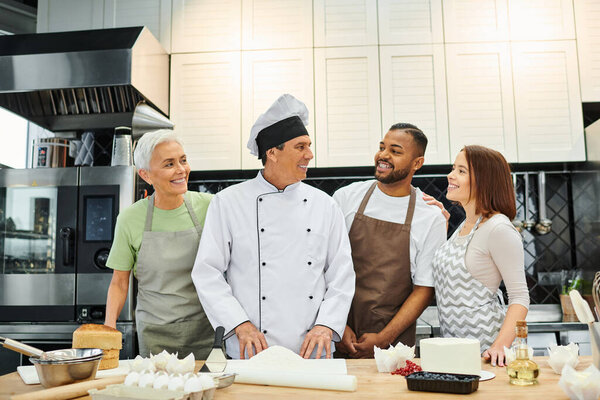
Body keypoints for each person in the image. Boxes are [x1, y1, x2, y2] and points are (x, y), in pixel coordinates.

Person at [192, 94, 355, 360]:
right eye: (300, 146)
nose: (310, 155)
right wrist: (238, 325)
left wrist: (326, 326)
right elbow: (207, 273)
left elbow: (342, 275)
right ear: (272, 152)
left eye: (309, 146)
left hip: (313, 350)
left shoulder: (325, 206)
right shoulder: (228, 203)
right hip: (252, 348)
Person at [333, 123, 447, 358]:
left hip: (394, 347)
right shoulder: (346, 198)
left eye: (395, 151)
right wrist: (335, 324)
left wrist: (385, 338)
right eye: (382, 147)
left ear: (417, 163)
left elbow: (424, 288)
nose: (383, 155)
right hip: (336, 335)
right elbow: (322, 266)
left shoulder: (430, 217)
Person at [104, 129, 214, 358]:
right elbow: (119, 283)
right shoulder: (129, 219)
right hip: (155, 334)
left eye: (183, 160)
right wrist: (109, 327)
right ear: (146, 175)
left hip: (206, 329)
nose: (181, 170)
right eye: (169, 164)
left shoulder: (210, 207)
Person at [432, 145, 529, 367]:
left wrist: (499, 346)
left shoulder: (498, 228)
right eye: (453, 168)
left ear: (484, 180)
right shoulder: (465, 225)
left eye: (461, 171)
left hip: (487, 354)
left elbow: (520, 297)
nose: (450, 175)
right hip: (457, 353)